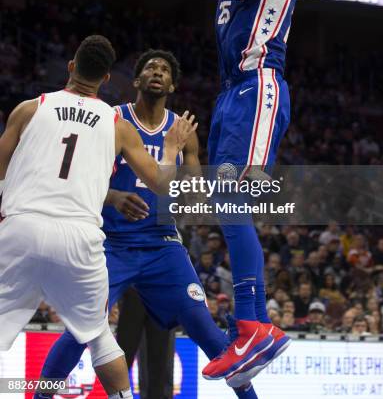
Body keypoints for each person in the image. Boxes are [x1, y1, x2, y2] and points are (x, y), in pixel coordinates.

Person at [103, 0, 301, 387]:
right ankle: (252, 324)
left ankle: (254, 323)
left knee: (235, 202)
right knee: (226, 204)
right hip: (231, 96)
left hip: (258, 85)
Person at [35, 49, 258, 399]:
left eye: (165, 69)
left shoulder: (183, 132)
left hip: (162, 246)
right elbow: (76, 177)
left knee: (207, 330)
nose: (157, 72)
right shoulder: (111, 120)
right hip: (111, 246)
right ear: (136, 81)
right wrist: (113, 198)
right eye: (150, 67)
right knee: (80, 329)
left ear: (172, 84)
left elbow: (194, 200)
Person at [0, 36, 195, 399]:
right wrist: (170, 149)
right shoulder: (117, 123)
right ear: (107, 79)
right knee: (100, 338)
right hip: (79, 236)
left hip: (21, 226)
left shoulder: (30, 108)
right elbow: (163, 184)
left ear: (71, 67)